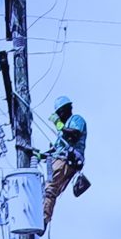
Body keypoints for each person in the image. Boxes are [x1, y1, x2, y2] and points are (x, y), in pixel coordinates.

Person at [41, 98, 88, 229]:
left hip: (67, 160)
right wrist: (39, 155)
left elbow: (73, 136)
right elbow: (55, 149)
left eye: (59, 113)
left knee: (50, 187)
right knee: (47, 190)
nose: (58, 117)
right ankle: (42, 216)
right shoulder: (63, 130)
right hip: (58, 160)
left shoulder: (76, 120)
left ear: (65, 110)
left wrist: (59, 125)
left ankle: (44, 219)